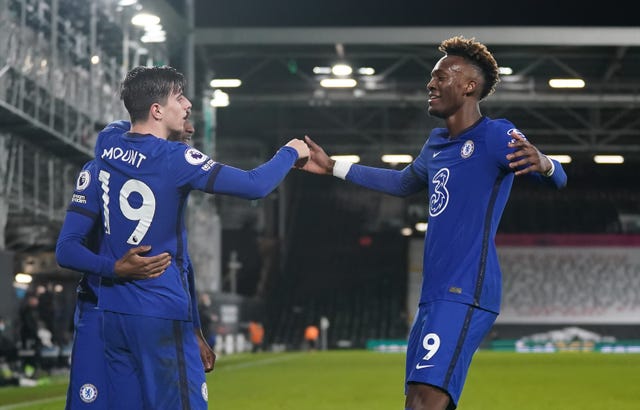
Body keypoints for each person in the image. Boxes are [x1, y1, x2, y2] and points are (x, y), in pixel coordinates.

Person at [298, 35, 567, 410]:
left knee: (424, 403)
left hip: (466, 289)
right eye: (432, 77)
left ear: (470, 86)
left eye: (442, 77)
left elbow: (558, 178)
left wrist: (546, 162)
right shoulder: (437, 143)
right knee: (417, 403)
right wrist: (333, 167)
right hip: (434, 295)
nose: (431, 84)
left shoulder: (495, 135)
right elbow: (403, 182)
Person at [82, 65, 308, 409]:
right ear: (157, 110)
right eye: (179, 97)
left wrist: (197, 330)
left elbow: (118, 129)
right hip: (159, 310)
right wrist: (290, 151)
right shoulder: (176, 158)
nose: (188, 104)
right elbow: (254, 186)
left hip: (114, 316)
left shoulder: (108, 145)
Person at [56, 120, 214, 409]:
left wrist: (194, 330)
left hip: (153, 318)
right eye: (185, 127)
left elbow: (181, 263)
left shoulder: (169, 180)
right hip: (101, 315)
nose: (190, 134)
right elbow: (66, 249)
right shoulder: (99, 172)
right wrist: (114, 268)